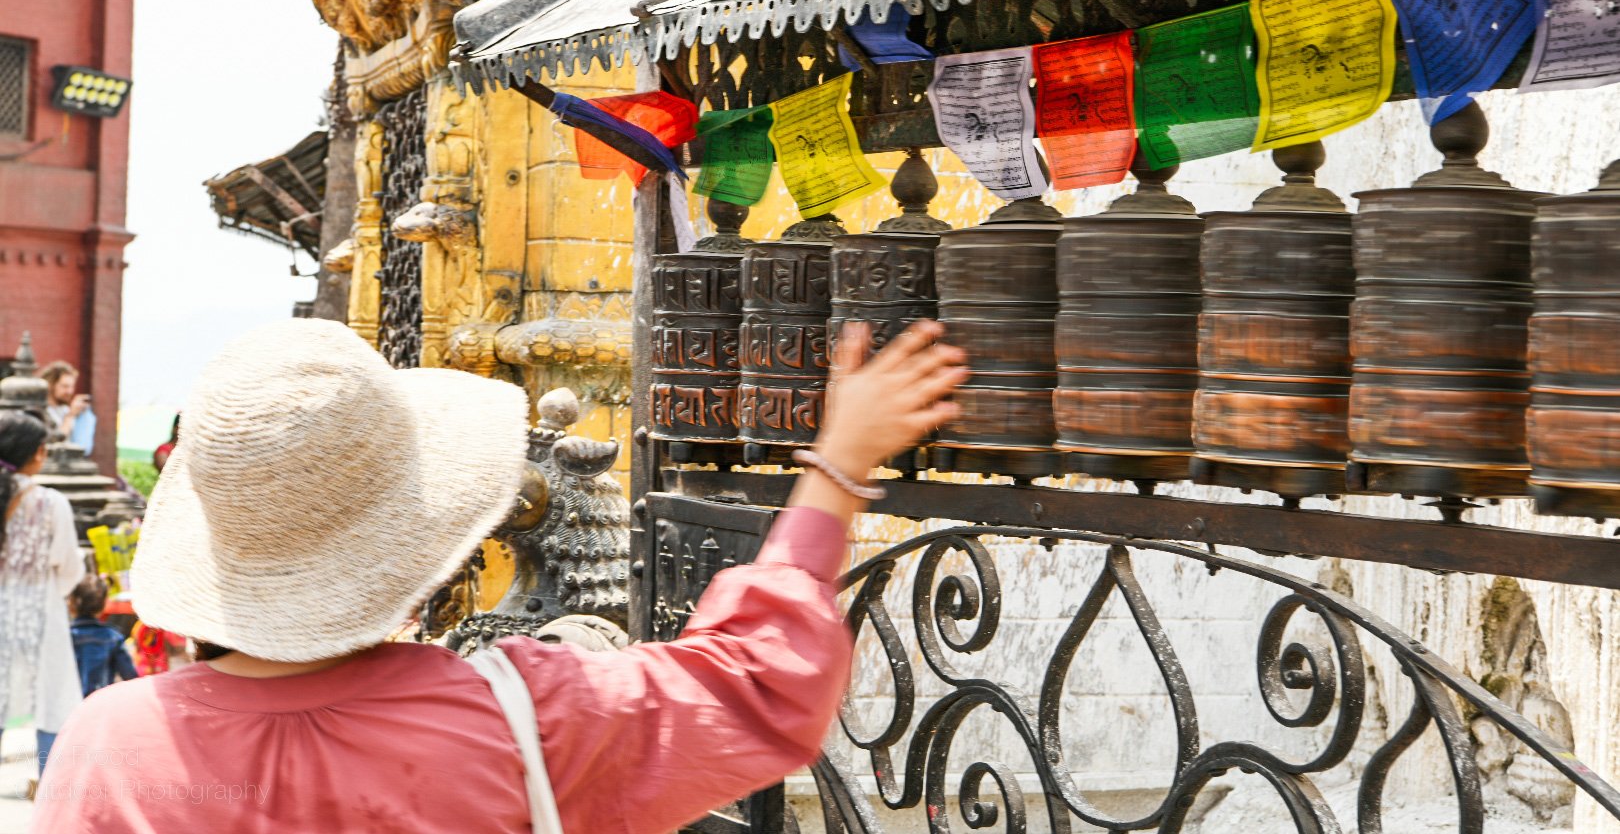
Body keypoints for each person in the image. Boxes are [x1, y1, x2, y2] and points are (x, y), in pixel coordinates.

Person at [34, 316, 965, 831]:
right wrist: (838, 464)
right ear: (421, 543)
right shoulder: (524, 721)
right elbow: (762, 683)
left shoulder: (106, 747)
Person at [0, 411, 85, 789]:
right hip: (42, 612)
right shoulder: (51, 503)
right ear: (36, 453)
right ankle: (50, 792)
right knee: (53, 701)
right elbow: (69, 567)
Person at [68, 576, 137, 696]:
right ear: (104, 604)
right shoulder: (112, 637)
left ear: (72, 603)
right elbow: (131, 678)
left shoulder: (64, 638)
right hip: (99, 707)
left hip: (69, 708)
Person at [39, 362, 94, 454]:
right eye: (65, 386)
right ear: (50, 385)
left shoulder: (65, 409)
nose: (70, 391)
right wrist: (70, 416)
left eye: (72, 386)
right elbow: (52, 443)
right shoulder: (39, 411)